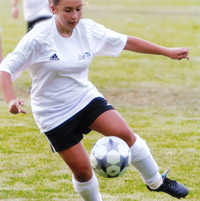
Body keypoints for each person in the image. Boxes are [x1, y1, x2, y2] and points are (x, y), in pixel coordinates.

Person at [0, 0, 190, 200]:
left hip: (84, 98)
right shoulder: (38, 37)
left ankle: (156, 182)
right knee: (83, 172)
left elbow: (126, 41)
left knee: (124, 133)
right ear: (53, 9)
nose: (74, 16)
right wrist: (10, 100)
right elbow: (6, 67)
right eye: (68, 10)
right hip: (52, 112)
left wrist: (166, 51)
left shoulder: (88, 30)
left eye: (78, 9)